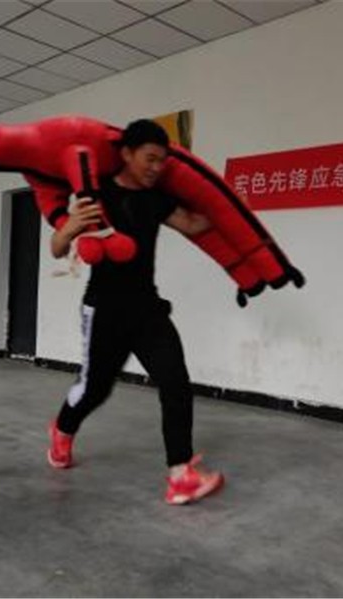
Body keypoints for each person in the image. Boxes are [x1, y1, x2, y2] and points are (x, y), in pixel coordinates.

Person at [46, 119, 224, 506]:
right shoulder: (96, 195)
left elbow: (194, 224)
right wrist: (71, 225)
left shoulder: (156, 200)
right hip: (104, 310)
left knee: (175, 382)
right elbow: (57, 249)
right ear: (127, 154)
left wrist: (227, 205)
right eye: (150, 158)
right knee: (96, 389)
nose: (156, 167)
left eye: (162, 161)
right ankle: (62, 429)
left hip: (147, 308)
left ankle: (180, 474)